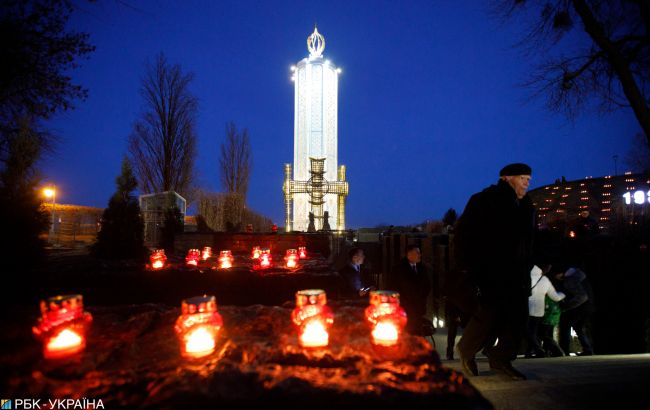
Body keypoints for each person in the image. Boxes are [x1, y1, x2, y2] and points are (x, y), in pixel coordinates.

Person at [453, 163, 535, 380]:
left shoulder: (526, 205)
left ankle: (501, 359)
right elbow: (464, 235)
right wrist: (467, 268)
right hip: (491, 271)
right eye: (523, 177)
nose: (528, 182)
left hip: (518, 272)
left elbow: (529, 239)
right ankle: (467, 350)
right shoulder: (484, 200)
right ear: (507, 178)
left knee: (518, 319)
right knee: (488, 316)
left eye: (529, 178)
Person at [388, 245, 432, 335]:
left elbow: (427, 285)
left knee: (418, 331)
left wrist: (422, 298)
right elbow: (393, 288)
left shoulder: (422, 268)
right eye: (417, 253)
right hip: (406, 307)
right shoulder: (398, 269)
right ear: (409, 254)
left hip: (419, 306)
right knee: (407, 332)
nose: (420, 255)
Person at [526, 263, 565, 358]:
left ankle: (539, 351)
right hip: (539, 310)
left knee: (529, 332)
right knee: (534, 332)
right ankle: (534, 351)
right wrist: (563, 294)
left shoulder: (527, 277)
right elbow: (555, 297)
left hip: (527, 308)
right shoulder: (545, 280)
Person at [554, 266, 595, 356]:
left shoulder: (571, 279)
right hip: (589, 306)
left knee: (566, 325)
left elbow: (582, 297)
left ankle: (564, 350)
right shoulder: (580, 276)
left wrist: (566, 305)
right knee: (578, 327)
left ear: (561, 273)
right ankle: (588, 349)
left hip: (580, 308)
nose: (555, 277)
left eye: (556, 274)